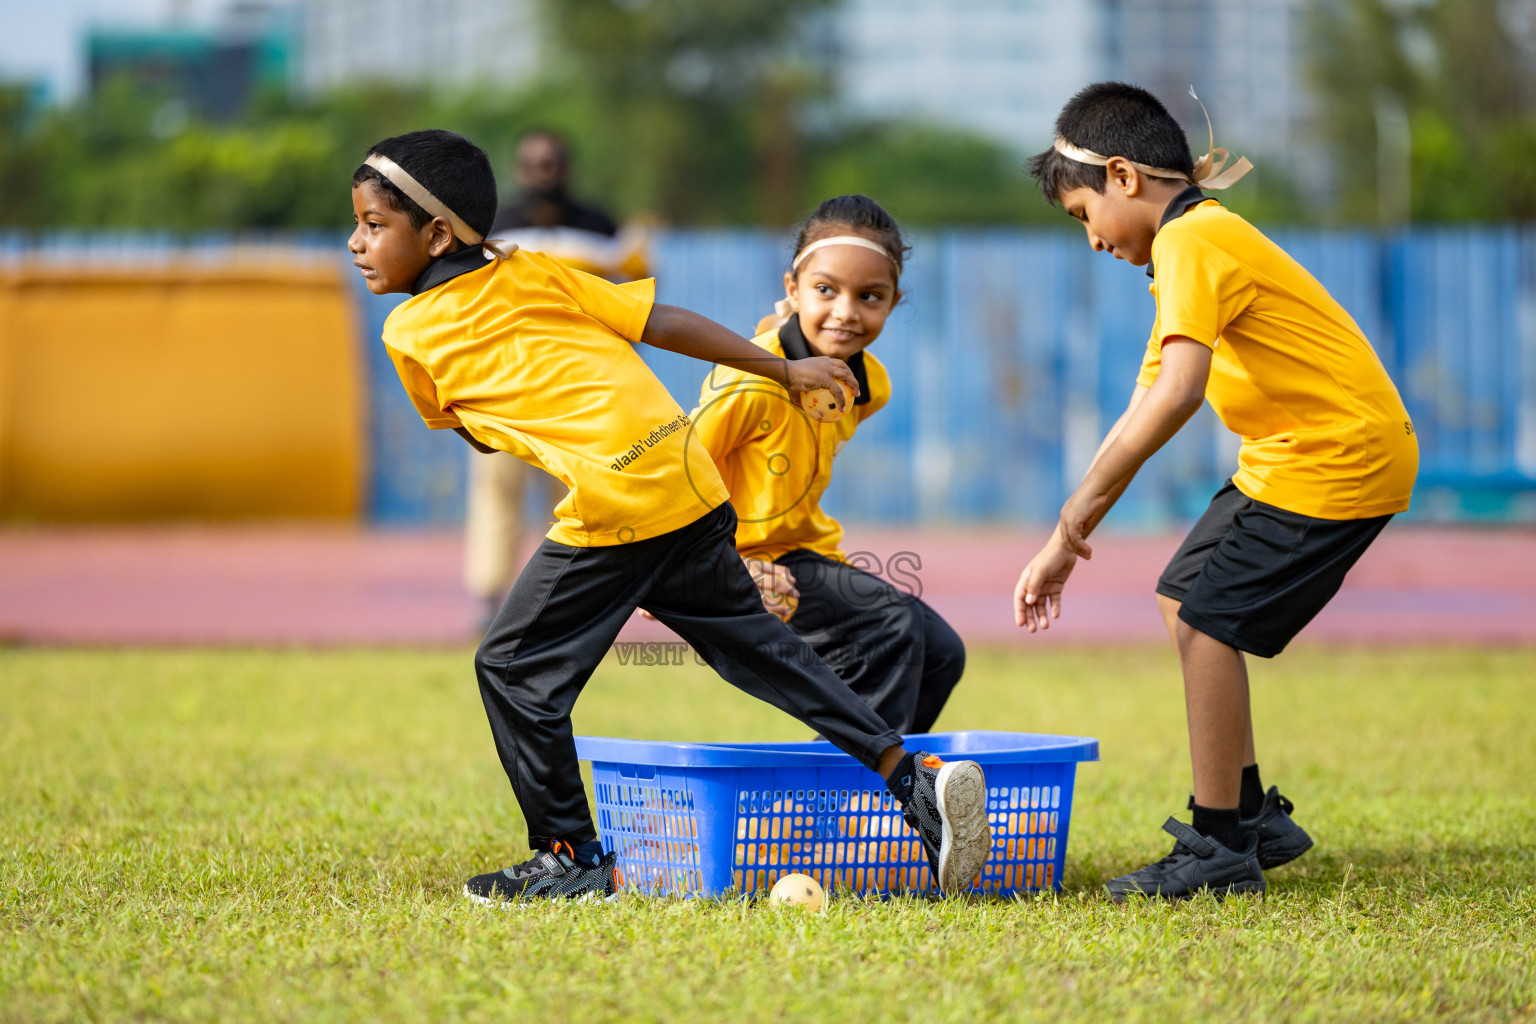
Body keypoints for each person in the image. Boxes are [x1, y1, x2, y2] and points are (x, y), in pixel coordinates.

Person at [347, 129, 992, 903]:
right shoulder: (532, 268)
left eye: (373, 225)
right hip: (686, 477)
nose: (356, 243)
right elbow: (662, 323)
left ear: (438, 234)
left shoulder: (407, 329)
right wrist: (781, 366)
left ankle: (571, 858)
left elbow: (476, 433)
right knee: (759, 654)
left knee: (512, 669)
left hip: (620, 497)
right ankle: (911, 779)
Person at [1014, 83, 1418, 900]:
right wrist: (1070, 534)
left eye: (1081, 214)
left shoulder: (1194, 240)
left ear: (1123, 177)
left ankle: (1218, 845)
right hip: (1288, 457)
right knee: (1183, 598)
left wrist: (1070, 525)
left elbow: (1176, 396)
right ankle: (1253, 816)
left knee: (1208, 626)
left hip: (1335, 459)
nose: (1089, 239)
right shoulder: (1185, 250)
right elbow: (1145, 396)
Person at [691, 195, 965, 735]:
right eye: (825, 290)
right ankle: (871, 795)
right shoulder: (750, 382)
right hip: (729, 565)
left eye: (870, 296)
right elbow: (668, 471)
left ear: (893, 301)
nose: (846, 311)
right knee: (890, 625)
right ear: (793, 288)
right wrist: (710, 573)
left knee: (939, 651)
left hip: (801, 554)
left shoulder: (868, 385)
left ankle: (848, 787)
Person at [464, 132, 647, 631]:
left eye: (552, 164)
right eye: (533, 164)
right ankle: (488, 603)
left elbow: (636, 300)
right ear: (520, 170)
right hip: (503, 386)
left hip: (579, 391)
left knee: (576, 496)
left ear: (566, 169)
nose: (543, 172)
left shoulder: (602, 227)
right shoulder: (493, 228)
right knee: (496, 493)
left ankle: (566, 605)